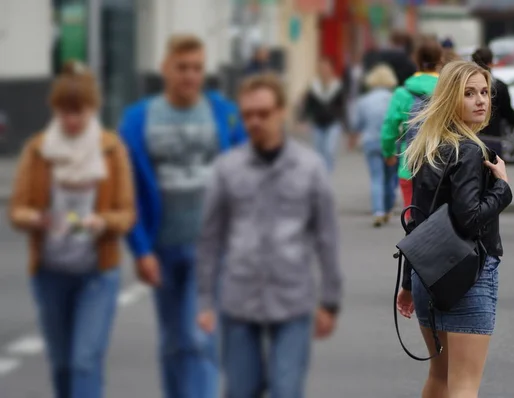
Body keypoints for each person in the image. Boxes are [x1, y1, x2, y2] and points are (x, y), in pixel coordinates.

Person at [197, 73, 343, 398]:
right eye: (248, 115)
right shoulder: (227, 168)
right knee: (240, 390)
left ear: (281, 112)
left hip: (292, 298)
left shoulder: (310, 167)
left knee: (286, 390)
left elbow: (326, 237)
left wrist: (330, 301)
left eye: (263, 113)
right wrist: (205, 299)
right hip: (239, 299)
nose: (255, 122)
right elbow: (210, 238)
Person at [119, 34, 247, 398]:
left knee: (198, 337)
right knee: (173, 341)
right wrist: (141, 249)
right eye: (182, 68)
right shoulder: (138, 119)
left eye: (196, 68)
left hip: (209, 248)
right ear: (165, 68)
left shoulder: (222, 112)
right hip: (162, 246)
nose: (190, 76)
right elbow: (127, 189)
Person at [9, 61, 135, 398]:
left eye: (78, 112)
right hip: (50, 272)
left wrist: (102, 222)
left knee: (84, 362)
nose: (70, 120)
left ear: (93, 108)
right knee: (62, 365)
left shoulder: (110, 149)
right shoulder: (38, 150)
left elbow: (126, 213)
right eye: (64, 112)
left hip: (97, 273)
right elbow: (16, 209)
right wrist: (35, 218)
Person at [396, 61, 513, 398]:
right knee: (463, 385)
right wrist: (503, 188)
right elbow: (470, 219)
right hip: (467, 274)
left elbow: (418, 223)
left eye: (484, 92)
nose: (481, 100)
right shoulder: (470, 151)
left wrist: (408, 282)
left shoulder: (427, 147)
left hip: (427, 274)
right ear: (449, 98)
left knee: (440, 378)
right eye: (468, 93)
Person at [381, 39, 443, 219]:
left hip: (410, 165)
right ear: (440, 60)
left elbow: (389, 127)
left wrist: (389, 152)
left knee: (413, 221)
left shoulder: (403, 93)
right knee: (441, 221)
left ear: (416, 60)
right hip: (443, 165)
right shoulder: (448, 90)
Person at [351, 64, 398, 227]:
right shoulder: (394, 98)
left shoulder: (364, 101)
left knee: (376, 177)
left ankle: (378, 211)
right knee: (390, 177)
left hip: (370, 141)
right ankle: (387, 209)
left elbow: (356, 124)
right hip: (392, 142)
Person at [471, 47, 514, 158]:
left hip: (471, 137)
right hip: (493, 137)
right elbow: (507, 112)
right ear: (491, 63)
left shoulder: (465, 87)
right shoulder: (499, 86)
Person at [301, 57, 346, 172]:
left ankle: (328, 172)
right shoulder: (313, 86)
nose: (324, 70)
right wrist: (303, 118)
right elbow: (308, 105)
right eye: (321, 68)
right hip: (318, 123)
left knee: (329, 150)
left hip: (333, 123)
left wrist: (346, 123)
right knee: (318, 152)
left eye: (326, 67)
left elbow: (342, 106)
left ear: (331, 69)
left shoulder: (337, 86)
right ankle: (320, 173)